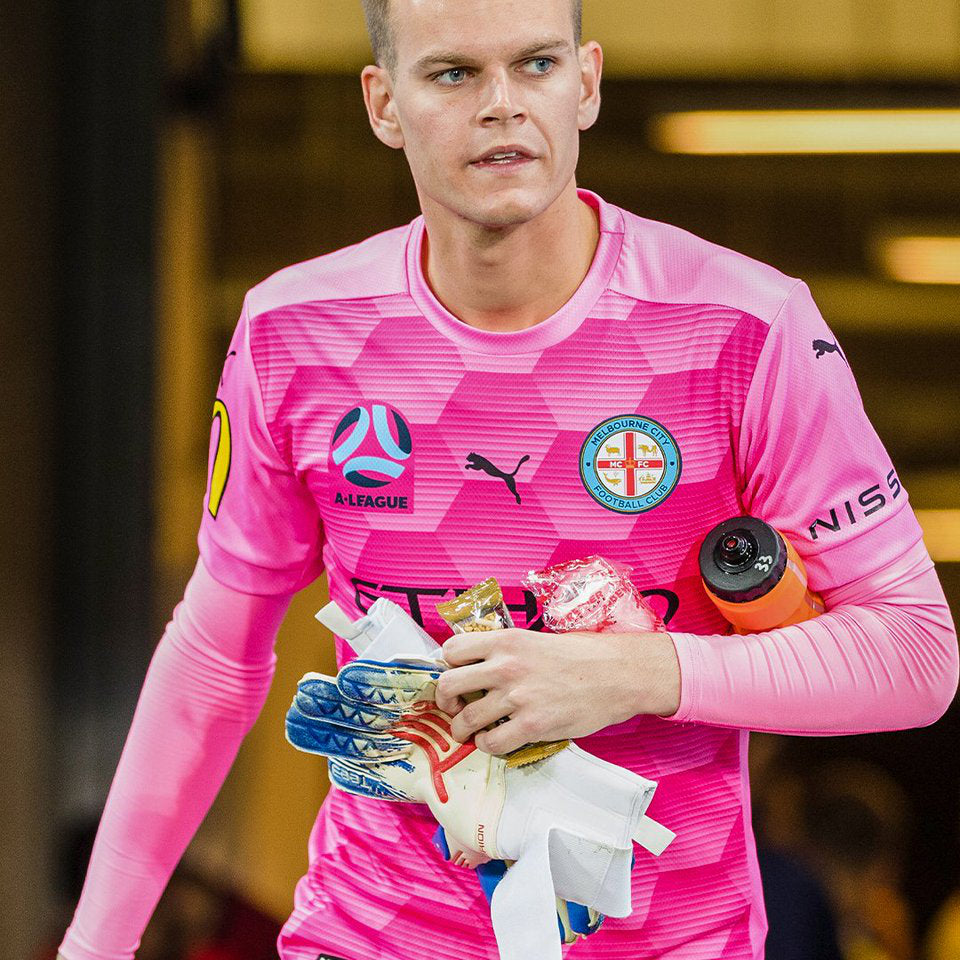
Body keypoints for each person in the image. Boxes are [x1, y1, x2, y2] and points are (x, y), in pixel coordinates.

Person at [57, 1, 959, 958]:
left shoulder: (745, 327)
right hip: (373, 932)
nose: (501, 107)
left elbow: (914, 655)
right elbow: (213, 652)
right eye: (452, 74)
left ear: (587, 83)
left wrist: (641, 673)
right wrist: (92, 945)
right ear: (383, 103)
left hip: (669, 937)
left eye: (535, 64)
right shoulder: (295, 332)